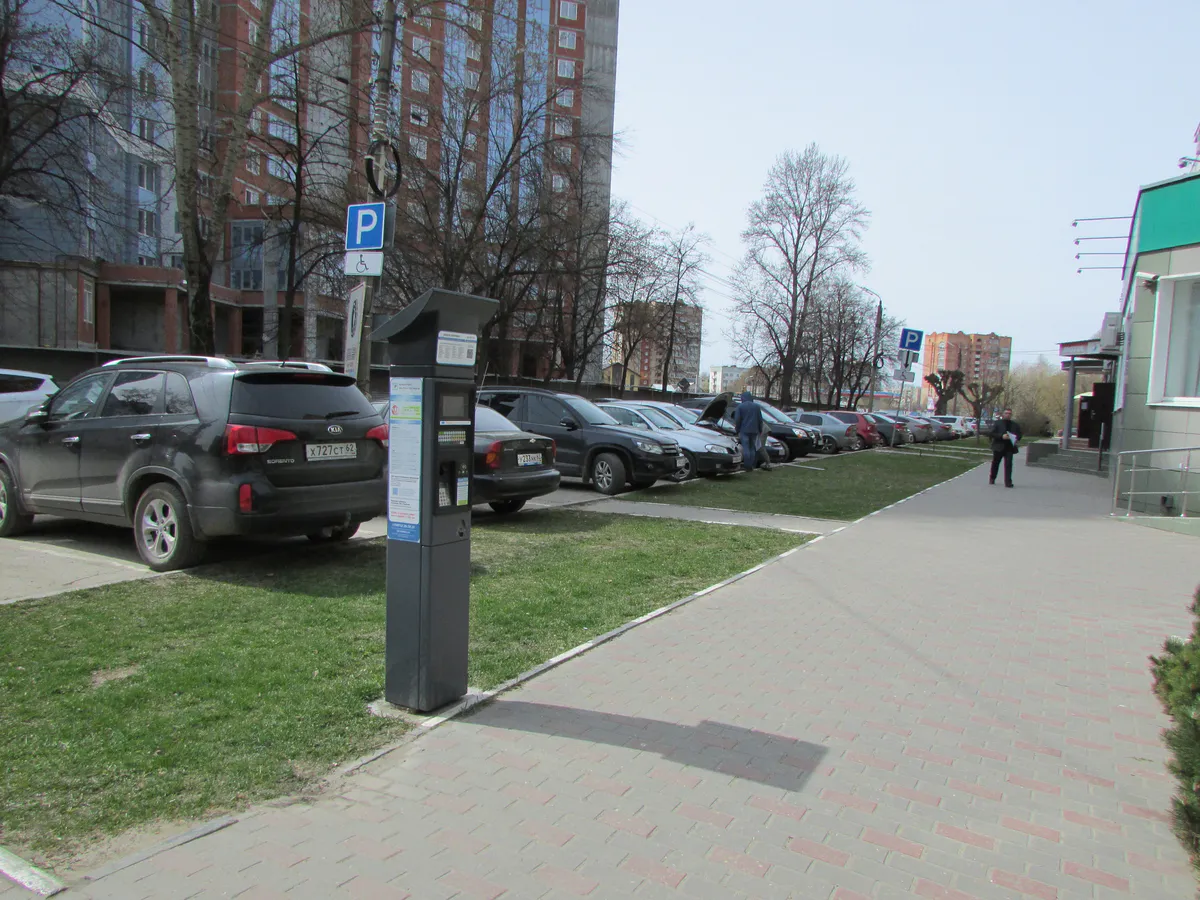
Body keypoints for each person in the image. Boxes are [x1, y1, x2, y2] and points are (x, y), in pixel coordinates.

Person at [989, 408, 1022, 488]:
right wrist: (1001, 436)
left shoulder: (1015, 425)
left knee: (1008, 464)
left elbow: (1019, 435)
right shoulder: (997, 423)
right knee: (995, 463)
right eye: (1006, 413)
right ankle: (992, 478)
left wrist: (1014, 437)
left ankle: (1008, 482)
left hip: (1009, 447)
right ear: (1003, 414)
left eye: (1009, 413)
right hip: (998, 446)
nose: (1008, 415)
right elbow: (992, 433)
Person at [732, 391, 765, 472]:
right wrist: (760, 430)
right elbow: (760, 420)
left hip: (744, 430)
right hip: (755, 430)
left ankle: (747, 466)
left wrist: (737, 429)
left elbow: (737, 420)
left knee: (746, 448)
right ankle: (751, 465)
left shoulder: (740, 407)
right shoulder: (757, 407)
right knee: (752, 448)